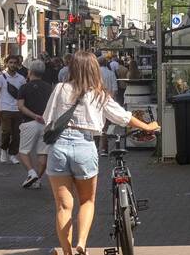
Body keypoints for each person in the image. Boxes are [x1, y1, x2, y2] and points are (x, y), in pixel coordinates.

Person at [43, 51, 160, 255]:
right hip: (85, 146)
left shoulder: (60, 88)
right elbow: (123, 117)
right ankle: (81, 243)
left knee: (63, 206)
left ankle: (67, 252)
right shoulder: (99, 94)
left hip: (59, 147)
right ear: (94, 69)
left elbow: (48, 119)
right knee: (87, 201)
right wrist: (148, 127)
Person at [17, 60, 53, 189]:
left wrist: (34, 116)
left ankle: (31, 173)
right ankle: (38, 179)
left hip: (29, 122)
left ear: (30, 72)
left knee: (23, 151)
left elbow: (20, 106)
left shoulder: (24, 87)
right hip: (46, 123)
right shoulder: (49, 87)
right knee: (43, 153)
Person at [0, 55, 27, 164]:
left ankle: (13, 154)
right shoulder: (1, 78)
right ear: (7, 63)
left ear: (18, 64)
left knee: (17, 134)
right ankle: (3, 150)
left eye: (14, 63)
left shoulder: (21, 79)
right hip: (5, 109)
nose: (12, 65)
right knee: (6, 132)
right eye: (10, 62)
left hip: (18, 110)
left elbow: (24, 95)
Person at [96, 56, 118, 155]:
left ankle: (95, 147)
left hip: (95, 103)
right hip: (107, 103)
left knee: (96, 125)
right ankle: (104, 149)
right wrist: (111, 100)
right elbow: (115, 89)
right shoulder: (111, 73)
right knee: (105, 127)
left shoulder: (94, 74)